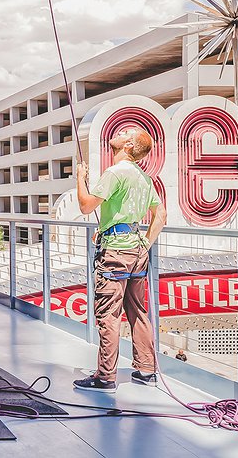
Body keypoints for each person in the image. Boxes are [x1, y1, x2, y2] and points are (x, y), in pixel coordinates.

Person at [74, 125, 166, 392]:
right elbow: (160, 215)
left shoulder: (115, 173)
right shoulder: (144, 177)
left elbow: (86, 206)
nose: (121, 132)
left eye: (127, 132)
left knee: (109, 314)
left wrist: (80, 177)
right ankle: (146, 370)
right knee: (137, 310)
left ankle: (105, 377)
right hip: (136, 250)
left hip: (115, 253)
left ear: (128, 146)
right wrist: (144, 244)